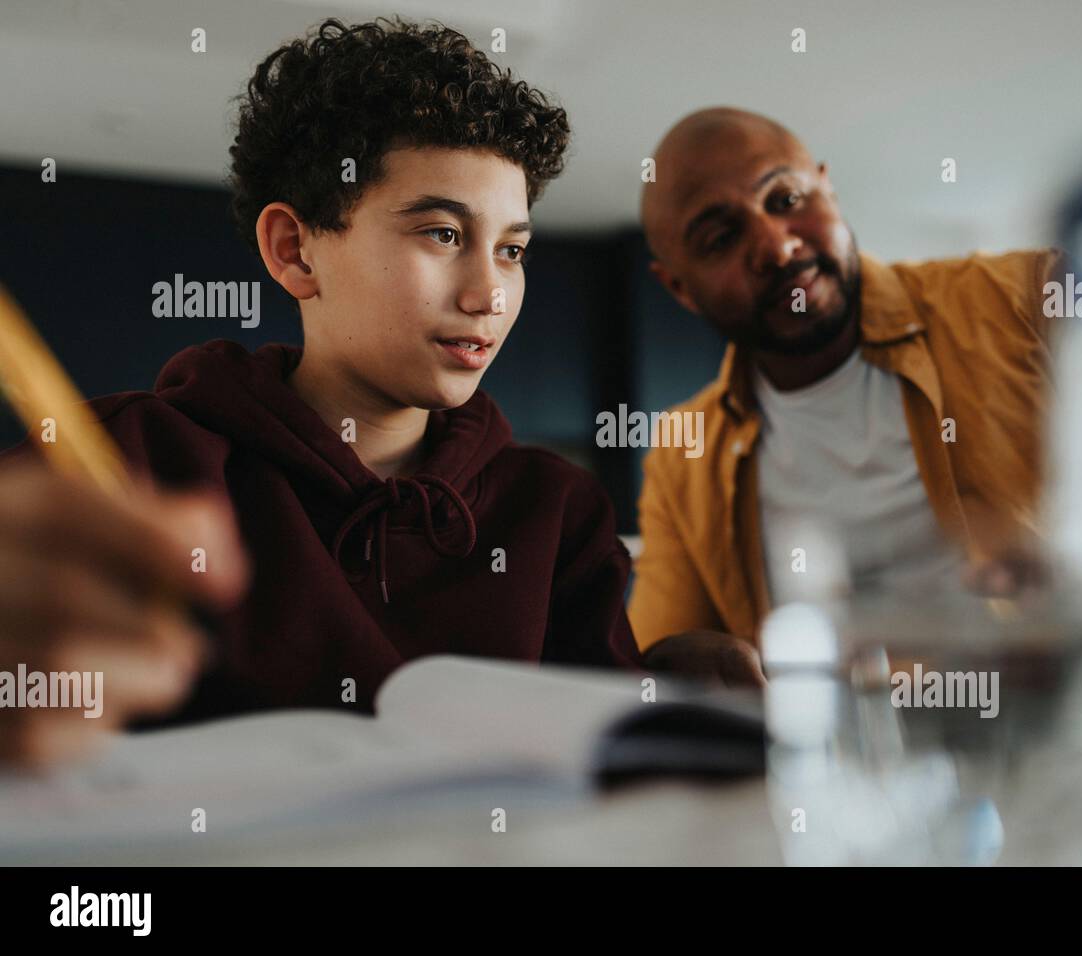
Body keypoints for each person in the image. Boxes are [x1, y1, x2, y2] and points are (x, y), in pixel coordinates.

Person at [0, 18, 642, 765]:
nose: (489, 296)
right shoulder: (122, 463)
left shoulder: (559, 510)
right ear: (295, 251)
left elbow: (632, 773)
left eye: (512, 251)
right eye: (441, 233)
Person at [631, 107, 1082, 685]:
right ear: (679, 288)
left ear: (827, 189)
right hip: (847, 770)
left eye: (786, 200)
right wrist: (692, 658)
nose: (776, 245)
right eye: (720, 237)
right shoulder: (684, 452)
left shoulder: (1027, 301)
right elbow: (657, 653)